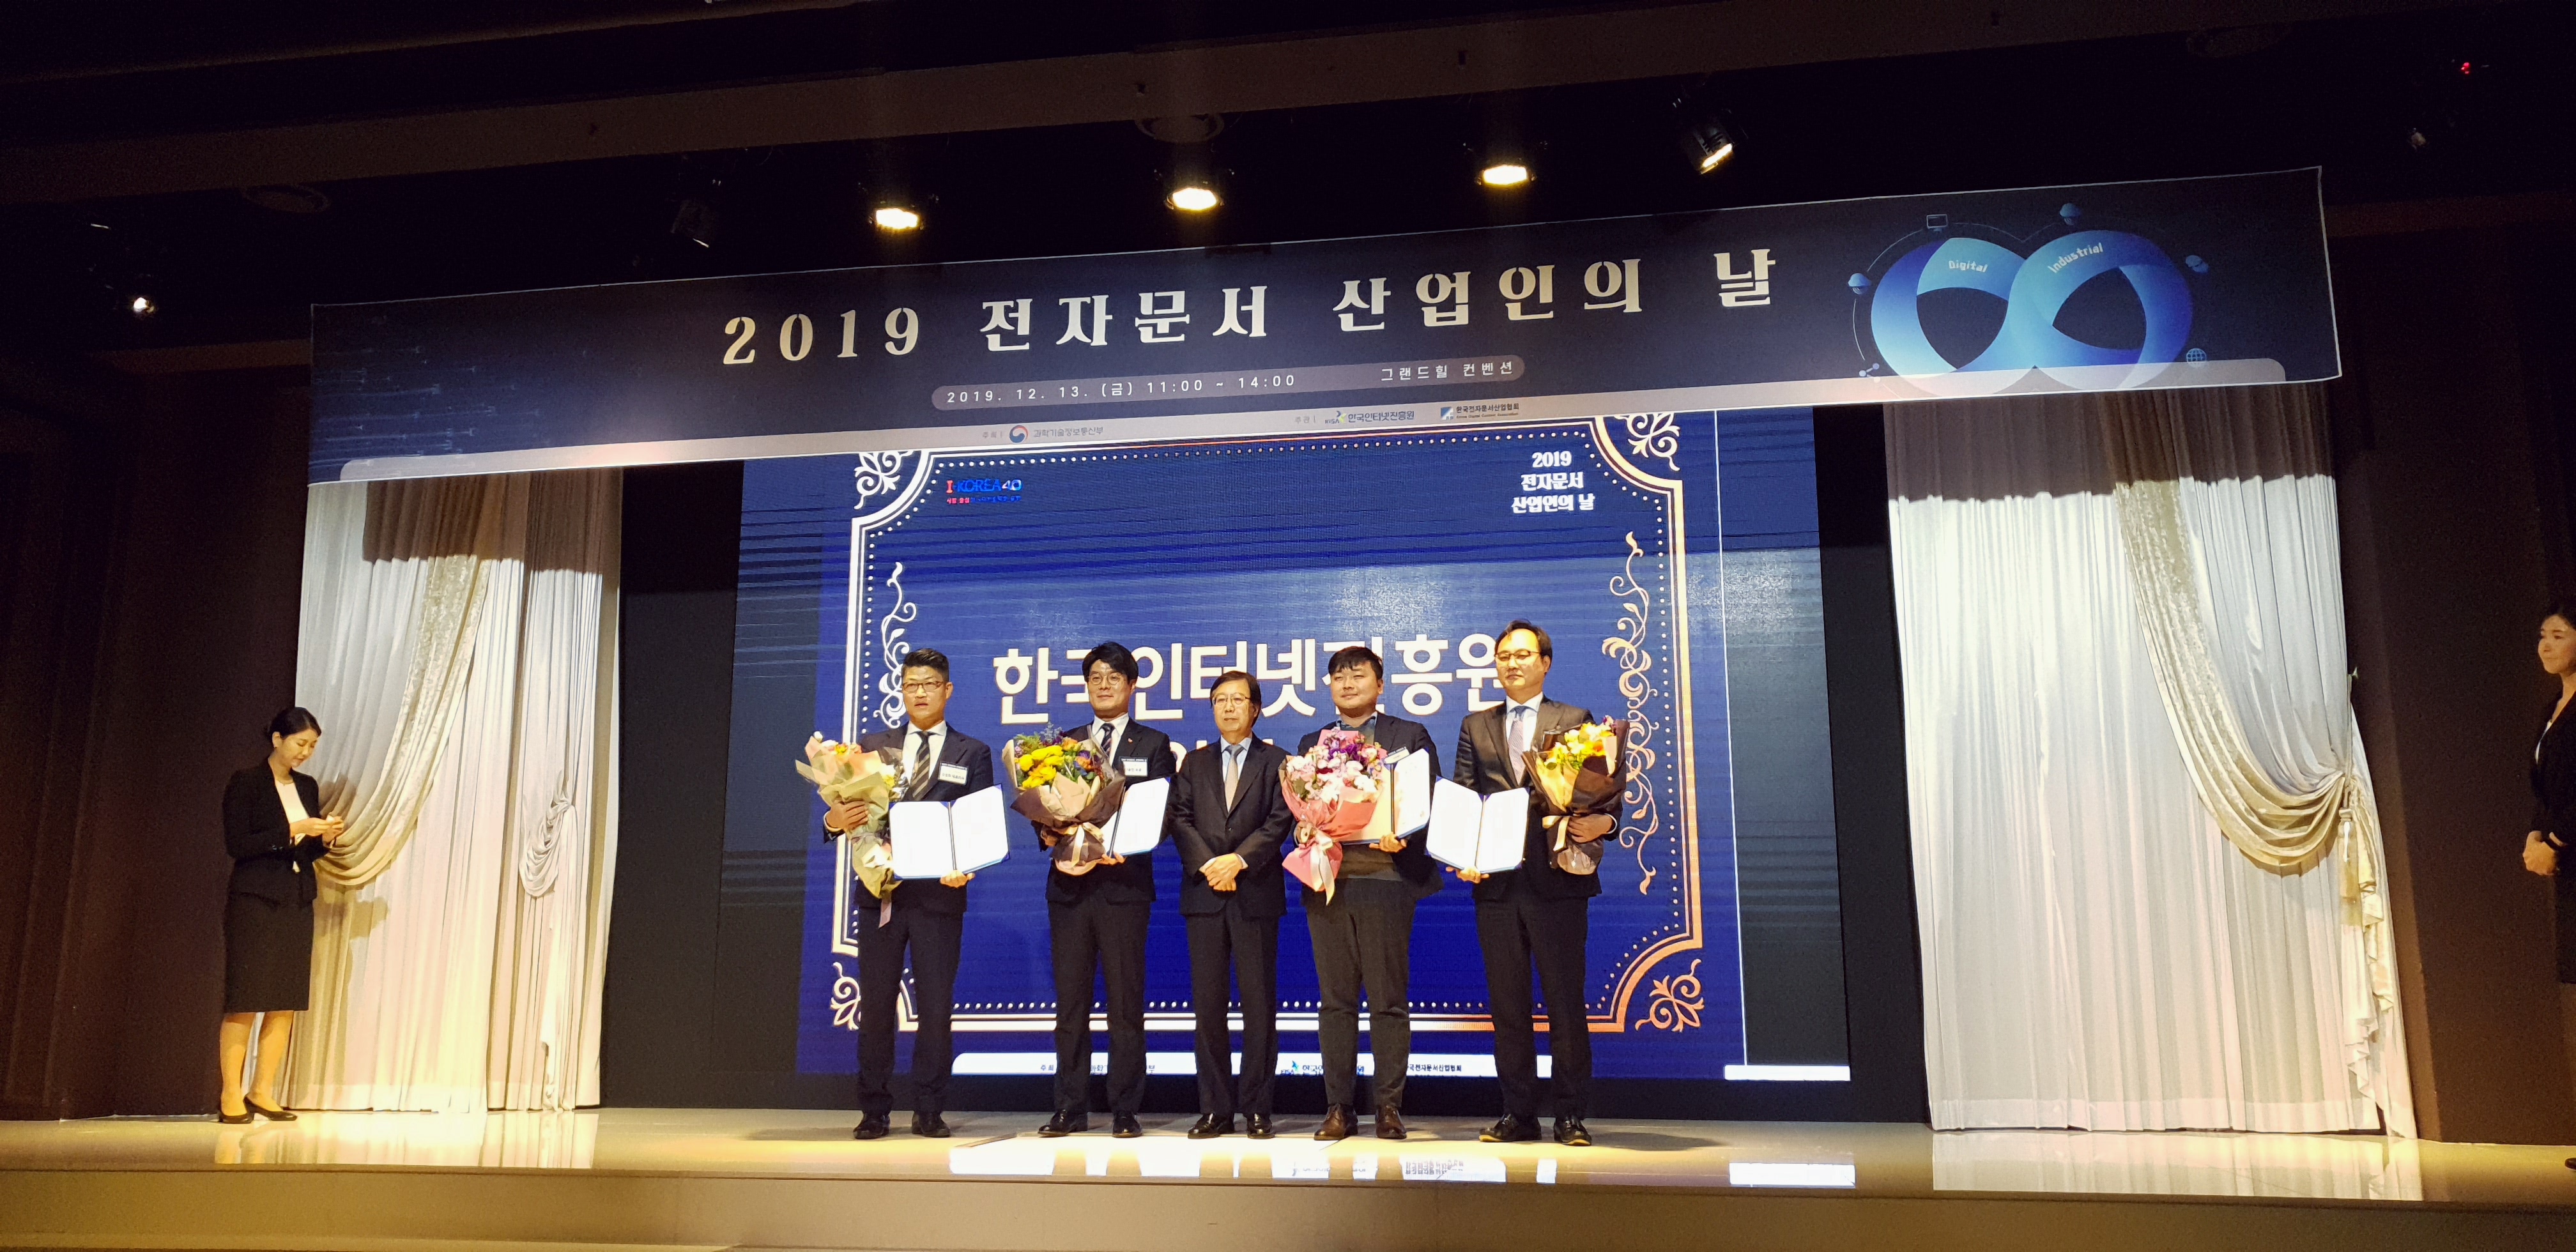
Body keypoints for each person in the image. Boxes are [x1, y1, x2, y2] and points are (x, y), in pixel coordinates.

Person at [1451, 620, 1615, 1147]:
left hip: (1558, 882)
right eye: (1503, 656)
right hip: (1497, 887)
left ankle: (1570, 1115)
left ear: (1545, 662)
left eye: (1522, 655)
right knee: (1508, 1009)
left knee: (1565, 1005)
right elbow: (1464, 796)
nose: (1511, 663)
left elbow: (1601, 791)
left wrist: (1605, 822)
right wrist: (1463, 853)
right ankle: (1518, 1114)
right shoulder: (1476, 725)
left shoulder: (1575, 719)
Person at [828, 648, 992, 1141]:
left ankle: (929, 1108)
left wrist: (968, 866)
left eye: (929, 684)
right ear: (901, 691)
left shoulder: (972, 752)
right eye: (911, 684)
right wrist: (833, 820)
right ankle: (874, 1109)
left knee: (936, 1007)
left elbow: (979, 824)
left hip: (940, 897)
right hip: (882, 895)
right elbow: (847, 813)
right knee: (877, 1005)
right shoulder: (872, 747)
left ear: (948, 690)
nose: (919, 693)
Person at [1294, 645, 1441, 1141]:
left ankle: (1389, 1107)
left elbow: (1428, 798)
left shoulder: (1408, 736)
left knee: (1388, 1000)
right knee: (1335, 1002)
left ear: (1380, 685)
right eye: (1338, 676)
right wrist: (1304, 830)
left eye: (1358, 675)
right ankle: (1338, 1108)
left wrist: (1406, 833)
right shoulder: (1313, 742)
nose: (1348, 683)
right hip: (1330, 882)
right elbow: (1301, 810)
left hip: (1386, 880)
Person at [1037, 642, 1175, 1139]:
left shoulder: (1153, 744)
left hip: (1124, 886)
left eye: (1114, 677)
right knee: (1071, 1004)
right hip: (1071, 888)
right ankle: (1069, 1106)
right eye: (1095, 676)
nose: (1103, 684)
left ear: (1132, 686)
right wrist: (1048, 830)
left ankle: (1125, 1108)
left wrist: (1129, 846)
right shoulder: (1064, 744)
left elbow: (1163, 812)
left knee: (1125, 1003)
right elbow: (1045, 806)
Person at [1170, 670, 1296, 1140]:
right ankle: (1215, 1109)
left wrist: (1239, 861)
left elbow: (1280, 821)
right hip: (1204, 896)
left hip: (1255, 894)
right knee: (1208, 1008)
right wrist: (1210, 865)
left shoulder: (1278, 761)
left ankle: (1257, 1109)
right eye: (1220, 700)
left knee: (1259, 1008)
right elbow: (1179, 818)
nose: (1228, 707)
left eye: (1237, 700)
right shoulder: (1194, 762)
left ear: (1256, 709)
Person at [217, 707, 343, 1124]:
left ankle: (262, 1091)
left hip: (295, 897)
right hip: (255, 899)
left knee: (284, 1000)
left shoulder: (306, 786)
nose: (306, 752)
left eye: (312, 746)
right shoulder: (247, 782)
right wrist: (294, 829)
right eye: (300, 743)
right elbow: (238, 844)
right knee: (246, 999)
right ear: (277, 739)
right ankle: (230, 1094)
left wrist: (324, 838)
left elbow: (305, 852)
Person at [2520, 599, 2576, 1107]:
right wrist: (2535, 836)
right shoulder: (2550, 710)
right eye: (2543, 635)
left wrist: (2555, 841)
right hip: (2567, 865)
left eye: (2559, 635)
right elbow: (2546, 789)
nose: (2546, 645)